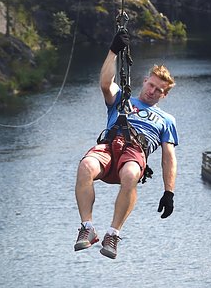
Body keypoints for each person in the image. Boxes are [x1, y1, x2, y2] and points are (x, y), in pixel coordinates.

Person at [74, 30, 179, 259]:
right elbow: (105, 83)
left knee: (131, 174)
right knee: (85, 166)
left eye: (159, 90)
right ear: (145, 81)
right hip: (110, 145)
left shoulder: (166, 120)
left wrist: (168, 192)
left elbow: (168, 157)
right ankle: (87, 228)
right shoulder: (122, 98)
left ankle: (113, 234)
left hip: (134, 152)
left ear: (164, 95)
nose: (152, 91)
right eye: (151, 85)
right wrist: (113, 51)